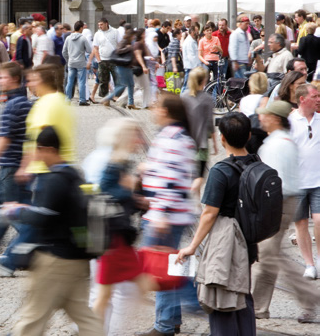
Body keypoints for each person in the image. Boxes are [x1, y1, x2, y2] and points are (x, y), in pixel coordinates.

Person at [5, 127, 103, 335]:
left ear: (48, 149)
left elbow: (42, 217)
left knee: (32, 318)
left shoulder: (54, 179)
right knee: (84, 317)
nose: (37, 155)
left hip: (55, 262)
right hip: (78, 260)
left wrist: (17, 211)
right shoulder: (74, 174)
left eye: (38, 150)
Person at [177, 112, 257, 335]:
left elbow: (209, 214)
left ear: (221, 138)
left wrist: (192, 247)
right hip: (249, 240)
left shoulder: (221, 171)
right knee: (243, 294)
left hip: (225, 243)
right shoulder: (256, 164)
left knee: (221, 297)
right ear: (249, 136)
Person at [252, 100, 320, 323]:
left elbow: (272, 183)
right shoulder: (277, 141)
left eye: (265, 115)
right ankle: (259, 308)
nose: (261, 117)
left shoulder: (279, 144)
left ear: (275, 119)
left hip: (277, 205)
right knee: (269, 257)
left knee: (271, 257)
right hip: (280, 203)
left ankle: (310, 297)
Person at [137, 94, 198, 336]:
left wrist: (161, 211)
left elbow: (171, 181)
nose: (153, 109)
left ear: (166, 111)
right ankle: (172, 320)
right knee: (170, 266)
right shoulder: (178, 137)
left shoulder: (172, 139)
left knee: (159, 269)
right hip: (173, 214)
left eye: (156, 106)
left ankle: (170, 320)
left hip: (165, 216)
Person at [92, 118, 156, 319]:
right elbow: (105, 192)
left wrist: (136, 196)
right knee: (143, 284)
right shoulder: (115, 162)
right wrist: (131, 191)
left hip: (114, 237)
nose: (140, 140)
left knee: (106, 293)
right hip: (115, 238)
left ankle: (91, 329)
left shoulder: (121, 161)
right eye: (137, 136)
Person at [0, 62, 32, 276]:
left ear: (12, 79)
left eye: (1, 77)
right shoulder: (20, 102)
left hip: (10, 166)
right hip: (12, 165)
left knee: (13, 215)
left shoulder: (13, 105)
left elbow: (5, 138)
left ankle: (33, 247)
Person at [288, 84, 320, 279]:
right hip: (296, 182)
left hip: (318, 181)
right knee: (300, 224)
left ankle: (319, 257)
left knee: (318, 220)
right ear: (302, 99)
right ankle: (309, 264)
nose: (318, 99)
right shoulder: (290, 121)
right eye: (315, 96)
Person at [182, 67, 217, 187]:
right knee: (199, 177)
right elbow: (209, 123)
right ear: (204, 81)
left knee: (188, 174)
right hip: (202, 144)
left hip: (185, 141)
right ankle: (194, 198)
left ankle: (192, 199)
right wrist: (215, 144)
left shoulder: (184, 97)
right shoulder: (207, 98)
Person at [63, 21, 92, 106]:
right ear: (80, 28)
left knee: (70, 81)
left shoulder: (68, 38)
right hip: (81, 63)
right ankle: (82, 100)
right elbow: (89, 50)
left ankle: (67, 100)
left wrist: (68, 60)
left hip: (71, 63)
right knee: (81, 81)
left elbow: (64, 52)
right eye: (83, 28)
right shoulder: (83, 38)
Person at [92, 18, 120, 99]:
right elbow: (95, 48)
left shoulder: (115, 32)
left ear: (106, 24)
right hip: (102, 59)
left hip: (113, 60)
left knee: (117, 79)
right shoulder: (97, 34)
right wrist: (99, 60)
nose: (100, 26)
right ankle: (105, 98)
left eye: (101, 24)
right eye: (99, 25)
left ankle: (117, 96)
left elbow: (119, 45)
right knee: (103, 81)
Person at [182, 25, 201, 92]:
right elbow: (191, 56)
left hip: (191, 67)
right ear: (192, 32)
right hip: (191, 67)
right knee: (186, 86)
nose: (198, 33)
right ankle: (181, 100)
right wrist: (197, 67)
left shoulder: (192, 41)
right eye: (197, 31)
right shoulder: (190, 42)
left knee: (188, 86)